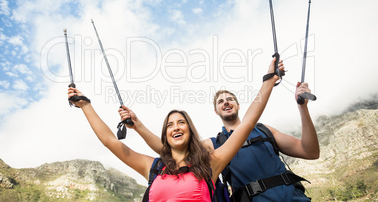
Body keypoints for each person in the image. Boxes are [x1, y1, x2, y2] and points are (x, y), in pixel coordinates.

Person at [68, 58, 281, 201]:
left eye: (181, 122)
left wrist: (269, 81)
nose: (175, 127)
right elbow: (110, 141)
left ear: (190, 131)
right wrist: (86, 105)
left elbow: (249, 121)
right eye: (170, 125)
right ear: (166, 136)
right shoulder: (153, 168)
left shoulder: (211, 164)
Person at [119, 62, 318, 201]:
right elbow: (169, 150)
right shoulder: (212, 145)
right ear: (216, 110)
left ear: (238, 105)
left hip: (294, 198)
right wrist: (138, 126)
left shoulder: (265, 131)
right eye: (220, 101)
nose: (225, 102)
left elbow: (310, 152)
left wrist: (303, 108)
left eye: (229, 99)